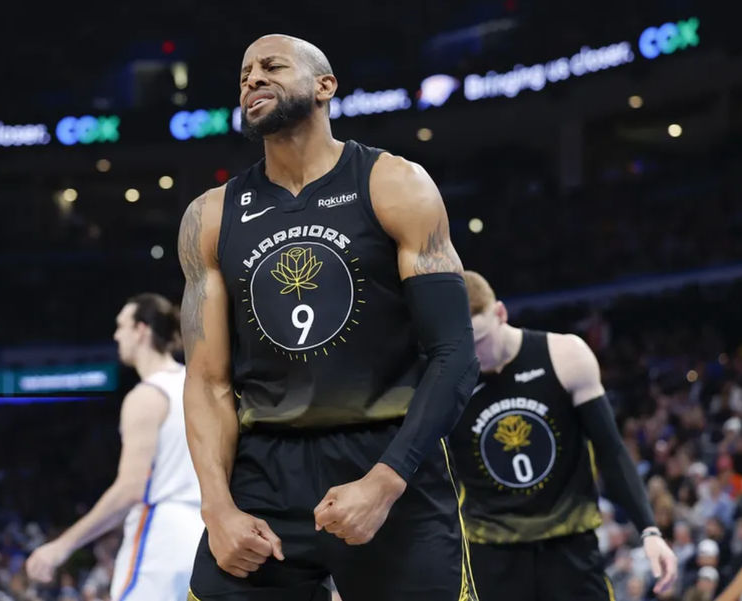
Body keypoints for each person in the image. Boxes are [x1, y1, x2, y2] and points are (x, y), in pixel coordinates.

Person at [178, 34, 479, 601]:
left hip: (386, 453)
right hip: (265, 467)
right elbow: (207, 381)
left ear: (325, 85)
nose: (252, 80)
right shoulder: (210, 217)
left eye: (271, 66)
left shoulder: (394, 183)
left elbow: (454, 355)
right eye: (244, 74)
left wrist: (387, 481)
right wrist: (216, 508)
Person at [447, 271, 677, 601]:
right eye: (462, 344)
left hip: (569, 544)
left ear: (500, 313)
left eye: (480, 340)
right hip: (491, 551)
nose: (474, 355)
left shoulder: (565, 355)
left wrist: (649, 530)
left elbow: (611, 450)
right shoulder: (448, 379)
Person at [26, 294, 201, 601]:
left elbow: (130, 489)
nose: (115, 335)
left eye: (121, 326)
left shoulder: (146, 396)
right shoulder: (198, 383)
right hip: (206, 536)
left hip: (161, 538)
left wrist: (61, 546)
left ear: (141, 330)